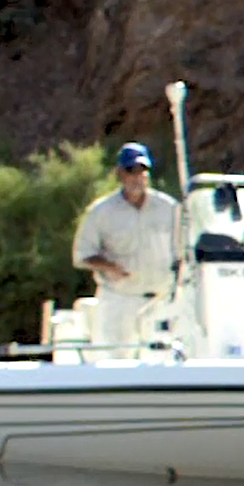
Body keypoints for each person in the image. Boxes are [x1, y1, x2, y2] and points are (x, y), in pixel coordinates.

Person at [70, 142, 180, 358]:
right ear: (120, 173)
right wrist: (108, 266)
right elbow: (81, 255)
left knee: (163, 363)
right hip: (120, 300)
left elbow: (185, 248)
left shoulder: (169, 209)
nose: (137, 177)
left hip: (161, 300)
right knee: (116, 363)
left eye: (142, 171)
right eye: (131, 171)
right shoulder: (101, 212)